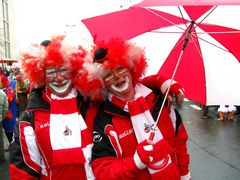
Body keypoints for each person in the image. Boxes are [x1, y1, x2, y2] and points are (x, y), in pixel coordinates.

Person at [78, 38, 191, 179]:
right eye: (108, 75)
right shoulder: (104, 118)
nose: (117, 77)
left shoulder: (158, 100)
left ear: (131, 68)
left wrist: (185, 174)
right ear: (101, 83)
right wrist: (135, 162)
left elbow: (179, 141)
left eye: (120, 68)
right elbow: (102, 169)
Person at [10, 35, 98, 179]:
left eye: (64, 70)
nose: (58, 78)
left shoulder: (91, 104)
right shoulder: (30, 117)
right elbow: (23, 172)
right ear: (41, 76)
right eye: (51, 72)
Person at [0, 75, 18, 151]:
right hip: (6, 113)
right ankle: (11, 145)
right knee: (6, 129)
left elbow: (9, 99)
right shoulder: (4, 90)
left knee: (10, 129)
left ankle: (14, 146)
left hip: (10, 114)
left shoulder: (9, 90)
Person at [0, 89, 9, 160]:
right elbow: (6, 108)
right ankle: (1, 157)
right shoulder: (2, 93)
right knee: (0, 139)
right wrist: (2, 117)